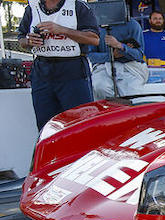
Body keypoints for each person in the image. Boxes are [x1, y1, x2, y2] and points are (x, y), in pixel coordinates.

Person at [17, 0, 99, 130]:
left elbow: (94, 39)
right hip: (42, 70)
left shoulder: (78, 6)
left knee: (80, 124)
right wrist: (29, 41)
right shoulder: (32, 7)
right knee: (45, 126)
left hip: (73, 69)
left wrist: (62, 30)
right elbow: (21, 38)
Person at [88, 17, 148, 100]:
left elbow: (139, 55)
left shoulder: (133, 24)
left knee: (133, 95)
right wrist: (112, 55)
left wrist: (121, 46)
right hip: (104, 67)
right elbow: (91, 56)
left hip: (130, 68)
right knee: (100, 87)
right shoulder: (95, 27)